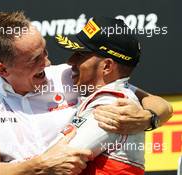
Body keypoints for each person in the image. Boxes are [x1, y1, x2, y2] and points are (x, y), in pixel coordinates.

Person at [0, 11, 173, 175]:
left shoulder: (67, 76)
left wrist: (148, 119)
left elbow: (157, 103)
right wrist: (40, 166)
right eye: (35, 59)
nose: (48, 62)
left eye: (44, 50)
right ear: (2, 70)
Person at [54, 17, 147, 175]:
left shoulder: (112, 105)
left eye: (80, 54)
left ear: (107, 66)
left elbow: (55, 162)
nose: (70, 61)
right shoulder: (110, 96)